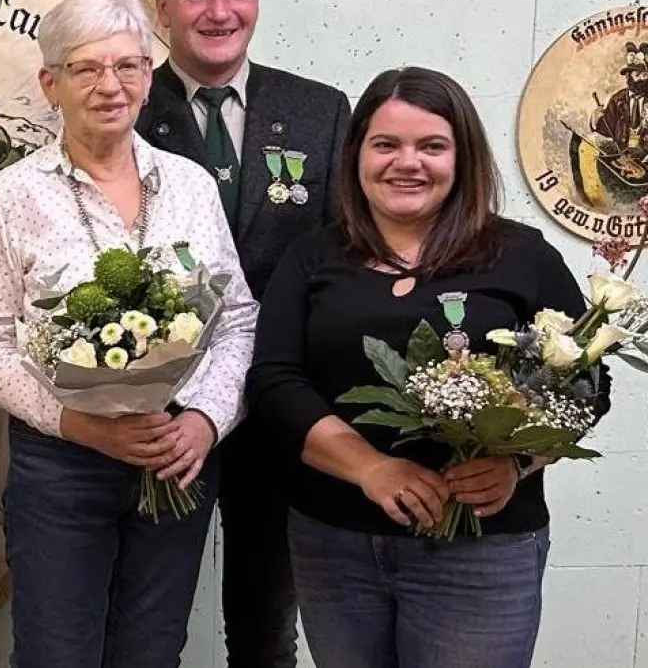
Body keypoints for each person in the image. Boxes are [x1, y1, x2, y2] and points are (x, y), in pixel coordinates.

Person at [247, 66, 608, 668]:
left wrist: (516, 462)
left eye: (432, 146)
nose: (406, 162)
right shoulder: (313, 256)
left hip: (481, 552)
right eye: (386, 144)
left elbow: (585, 381)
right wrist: (370, 468)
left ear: (462, 156)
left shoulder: (520, 255)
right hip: (334, 546)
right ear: (357, 153)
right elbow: (274, 380)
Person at [0, 0, 259, 668]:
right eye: (86, 68)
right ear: (50, 83)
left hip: (175, 454)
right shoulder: (12, 194)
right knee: (54, 654)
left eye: (127, 66)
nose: (109, 85)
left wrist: (206, 420)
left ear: (148, 78)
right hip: (61, 466)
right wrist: (78, 424)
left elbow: (237, 318)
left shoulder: (190, 186)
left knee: (152, 654)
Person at [136, 0, 351, 668]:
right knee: (141, 621)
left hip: (278, 409)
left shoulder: (322, 111)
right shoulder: (120, 103)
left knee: (264, 626)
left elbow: (339, 259)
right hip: (160, 413)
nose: (219, 11)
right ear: (161, 8)